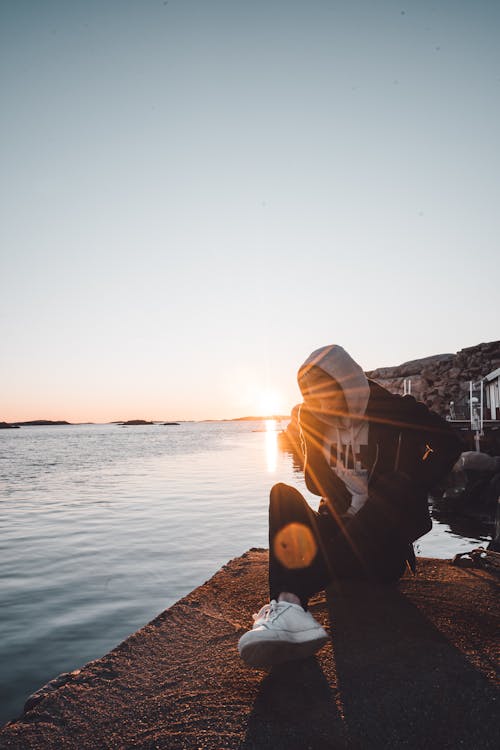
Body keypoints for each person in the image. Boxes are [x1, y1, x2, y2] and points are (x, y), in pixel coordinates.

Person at [238, 345, 462, 668]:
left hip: (381, 552)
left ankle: (292, 598)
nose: (319, 402)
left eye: (325, 393)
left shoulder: (391, 410)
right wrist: (309, 437)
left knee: (393, 486)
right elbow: (316, 485)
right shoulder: (312, 417)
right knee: (281, 494)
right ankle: (289, 607)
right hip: (339, 537)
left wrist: (413, 483)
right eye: (311, 395)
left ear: (345, 383)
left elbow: (449, 442)